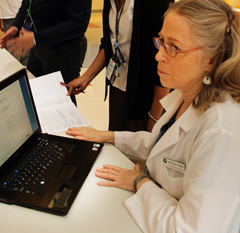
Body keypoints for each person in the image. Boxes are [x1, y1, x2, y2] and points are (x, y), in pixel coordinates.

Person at [66, 0, 240, 232]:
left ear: (211, 58)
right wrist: (106, 136)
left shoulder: (221, 130)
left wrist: (140, 182)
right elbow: (163, 147)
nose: (158, 56)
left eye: (173, 47)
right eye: (161, 42)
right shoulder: (187, 94)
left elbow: (188, 229)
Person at [67, 0, 172, 132]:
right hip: (118, 86)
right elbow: (109, 44)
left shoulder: (154, 4)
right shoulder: (111, 2)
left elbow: (166, 61)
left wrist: (155, 117)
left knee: (138, 147)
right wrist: (85, 79)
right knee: (116, 145)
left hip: (146, 96)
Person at [0, 0, 90, 105]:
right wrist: (15, 25)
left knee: (61, 103)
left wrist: (35, 38)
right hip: (38, 49)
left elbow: (79, 24)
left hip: (63, 52)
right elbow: (27, 3)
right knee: (35, 97)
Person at [0, 0, 29, 65]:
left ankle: (24, 67)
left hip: (14, 11)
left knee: (26, 46)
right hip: (12, 12)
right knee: (12, 48)